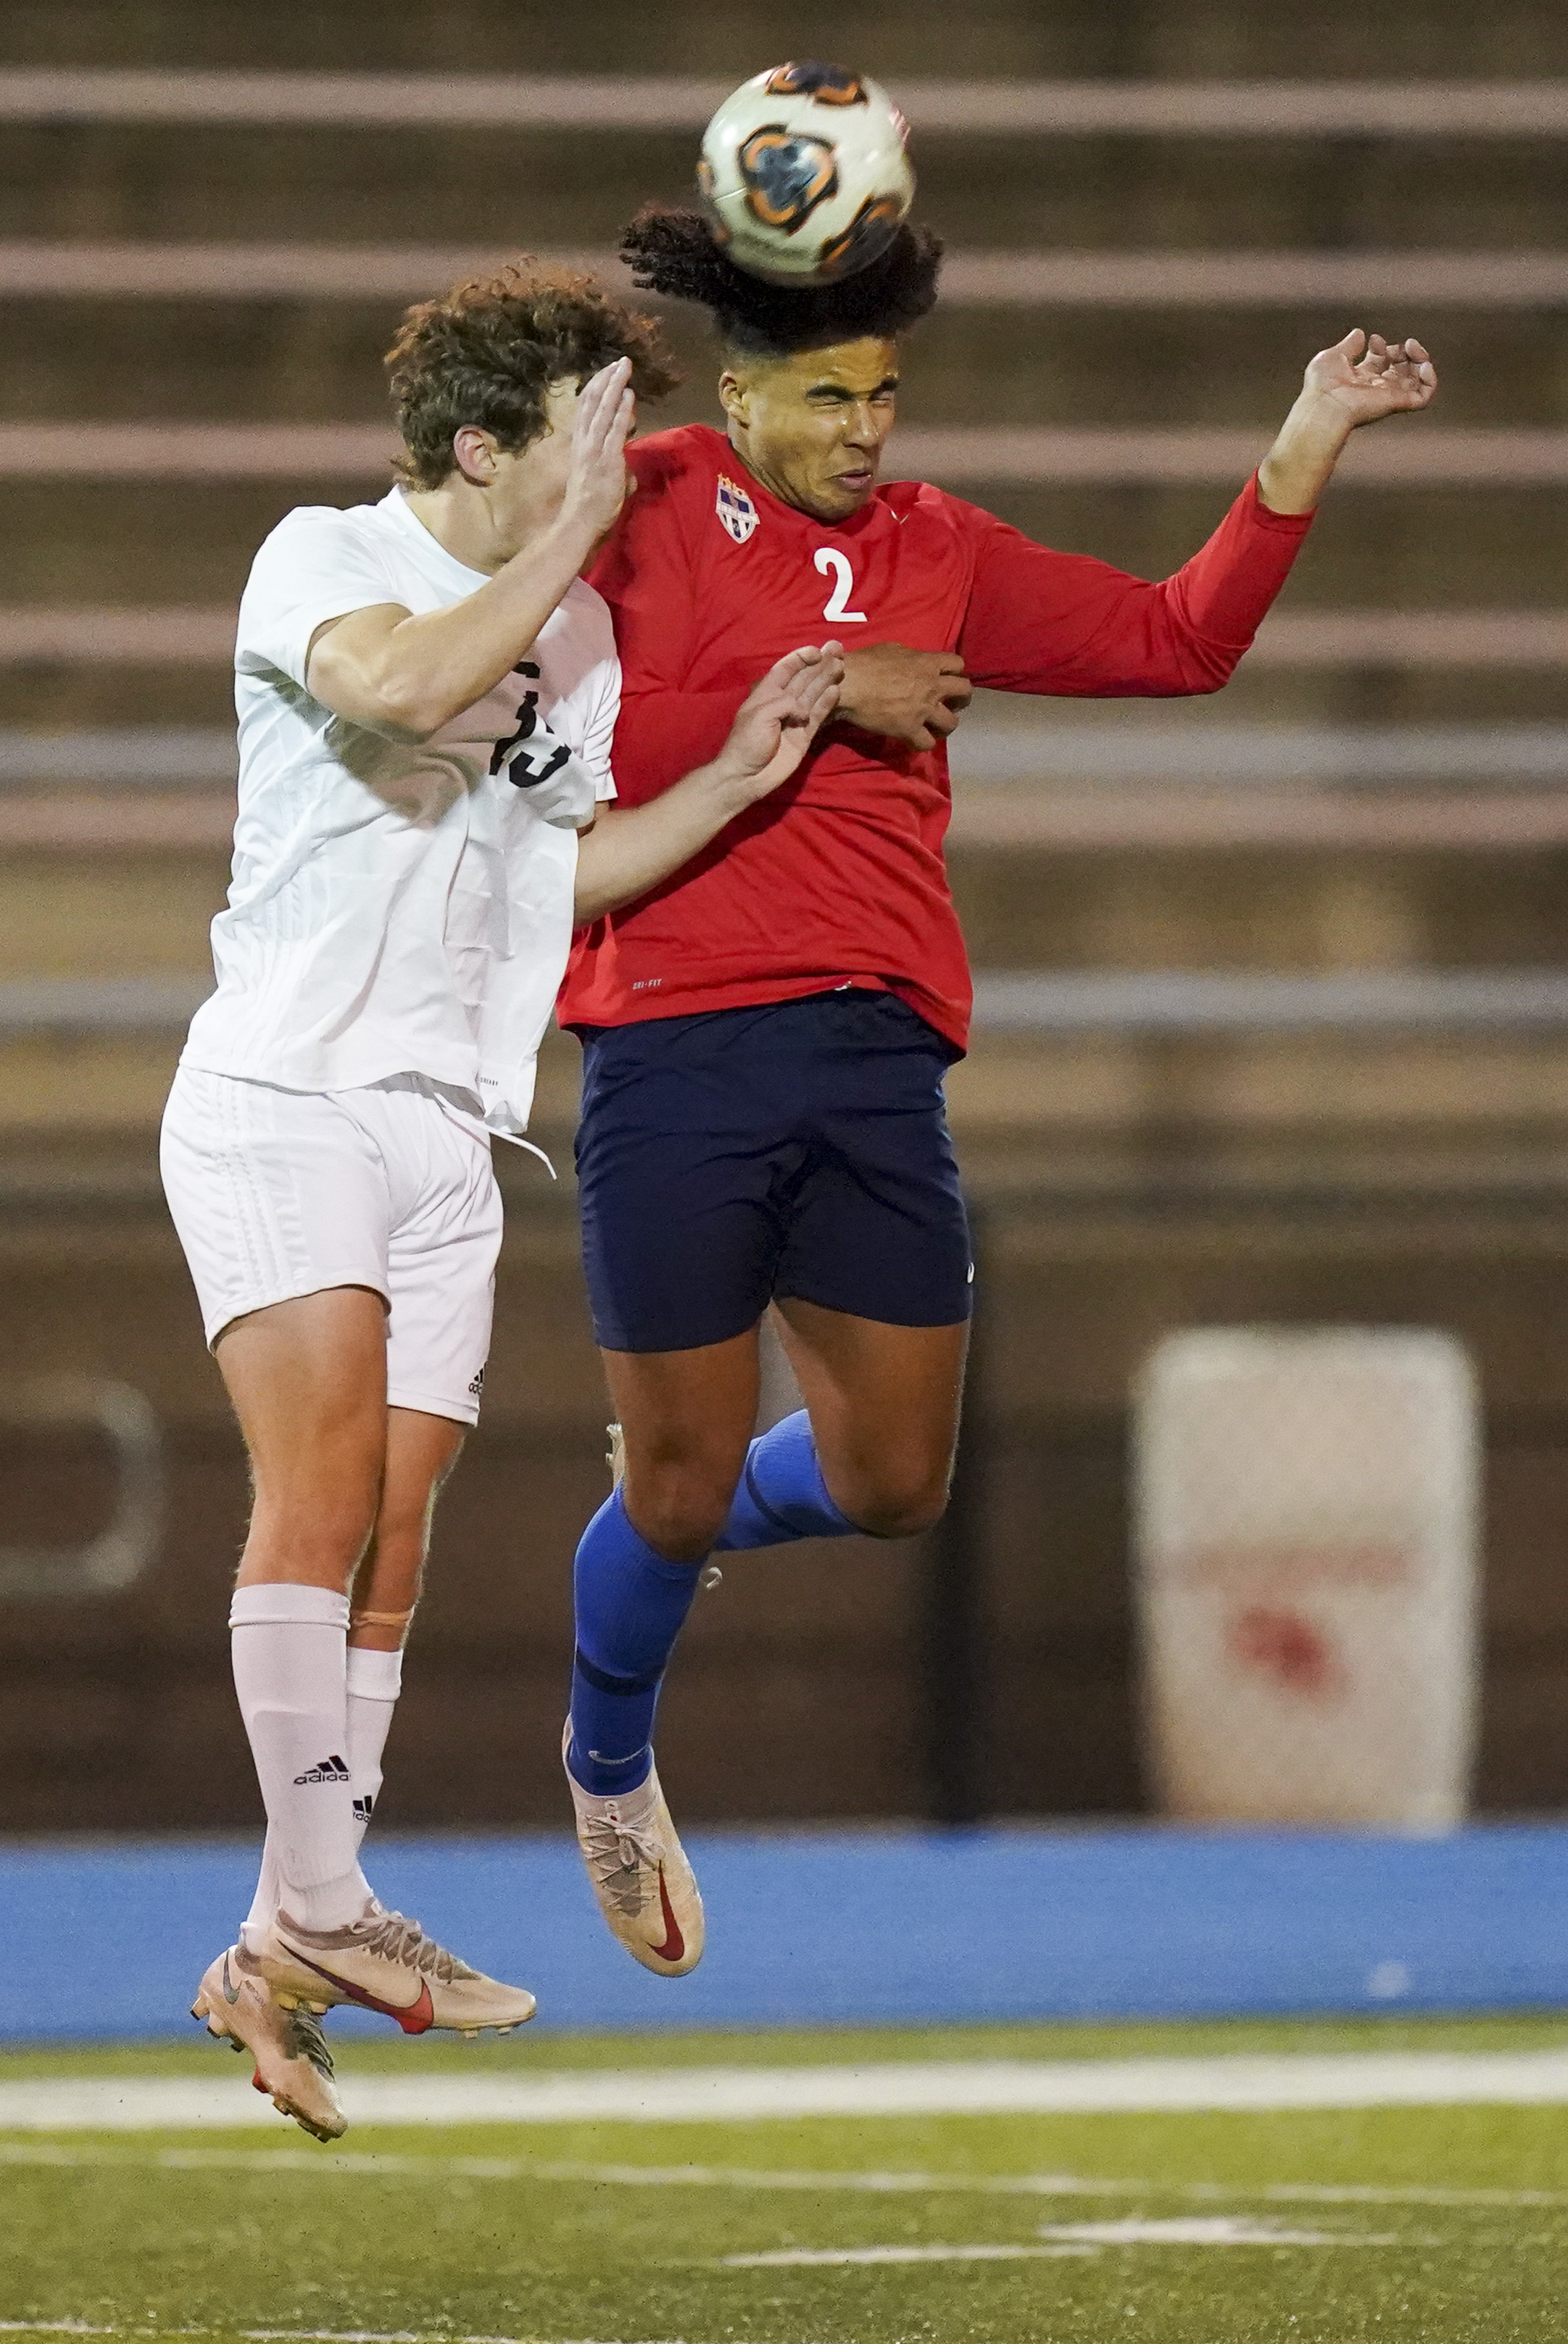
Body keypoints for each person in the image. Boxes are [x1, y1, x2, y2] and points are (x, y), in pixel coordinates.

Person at [555, 204, 1439, 1975]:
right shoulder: (636, 505)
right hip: (673, 1032)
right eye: (830, 396)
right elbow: (593, 749)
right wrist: (822, 686)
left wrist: (1302, 443)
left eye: (884, 396)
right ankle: (607, 1762)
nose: (867, 430)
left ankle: (679, 1483)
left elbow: (1181, 641)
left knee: (892, 1479)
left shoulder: (937, 543)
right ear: (738, 396)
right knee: (670, 1490)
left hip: (879, 1054)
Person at [159, 264, 842, 2139]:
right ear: (481, 449)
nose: (618, 462)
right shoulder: (326, 555)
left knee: (398, 1524)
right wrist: (574, 556)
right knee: (315, 1493)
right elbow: (398, 679)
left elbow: (561, 860)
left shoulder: (580, 641)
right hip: (284, 1092)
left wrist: (729, 782)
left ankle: (275, 1936)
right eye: (584, 434)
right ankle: (326, 1903)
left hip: (451, 1126)